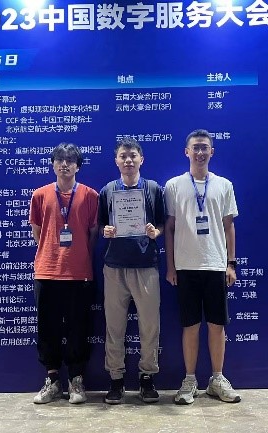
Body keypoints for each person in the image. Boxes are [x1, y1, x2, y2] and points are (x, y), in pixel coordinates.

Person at [164, 129, 241, 405]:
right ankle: (189, 380)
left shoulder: (224, 185)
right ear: (186, 152)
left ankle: (217, 378)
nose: (199, 152)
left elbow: (229, 227)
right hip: (186, 266)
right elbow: (169, 228)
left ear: (212, 152)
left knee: (217, 325)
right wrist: (171, 266)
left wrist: (230, 263)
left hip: (215, 265)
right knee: (191, 325)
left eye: (204, 147)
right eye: (195, 147)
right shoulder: (173, 186)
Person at [29, 142, 99, 404]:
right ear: (53, 164)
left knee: (79, 328)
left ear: (78, 166)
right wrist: (53, 253)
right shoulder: (40, 195)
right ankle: (52, 380)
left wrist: (78, 256)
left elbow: (93, 234)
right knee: (47, 328)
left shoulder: (90, 195)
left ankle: (76, 380)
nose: (64, 164)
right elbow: (38, 233)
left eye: (70, 160)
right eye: (59, 160)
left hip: (79, 273)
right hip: (47, 272)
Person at [98, 137, 165, 404]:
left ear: (141, 159)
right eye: (123, 156)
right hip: (115, 267)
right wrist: (105, 230)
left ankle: (147, 378)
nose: (128, 160)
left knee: (150, 325)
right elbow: (101, 224)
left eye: (133, 156)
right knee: (114, 327)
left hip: (146, 266)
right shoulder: (108, 190)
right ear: (116, 161)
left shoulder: (153, 189)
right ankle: (116, 380)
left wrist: (156, 232)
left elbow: (162, 222)